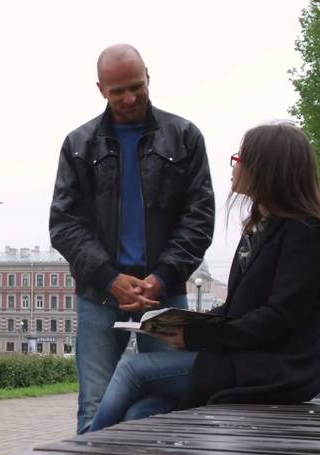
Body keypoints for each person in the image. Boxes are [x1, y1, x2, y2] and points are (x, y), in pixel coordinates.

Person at [89, 122, 320, 431]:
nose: (234, 166)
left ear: (267, 169)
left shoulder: (307, 233)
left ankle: (85, 450)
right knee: (142, 411)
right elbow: (238, 309)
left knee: (132, 369)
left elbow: (278, 318)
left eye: (241, 158)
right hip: (245, 359)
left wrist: (197, 337)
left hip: (276, 369)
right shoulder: (260, 229)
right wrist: (180, 323)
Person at [49, 43, 216, 433]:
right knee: (94, 404)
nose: (129, 98)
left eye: (136, 87)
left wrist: (162, 277)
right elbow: (64, 224)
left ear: (148, 77)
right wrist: (109, 278)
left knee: (169, 403)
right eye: (117, 91)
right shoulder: (78, 145)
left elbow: (199, 218)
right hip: (99, 294)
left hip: (163, 295)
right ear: (100, 89)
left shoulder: (185, 137)